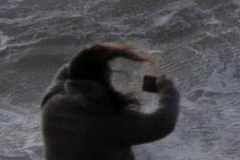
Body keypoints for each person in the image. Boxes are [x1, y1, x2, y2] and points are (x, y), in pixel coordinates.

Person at [40, 43, 180, 160]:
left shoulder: (51, 103)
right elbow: (161, 123)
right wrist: (167, 89)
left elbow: (63, 74)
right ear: (104, 78)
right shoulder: (111, 119)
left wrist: (86, 59)